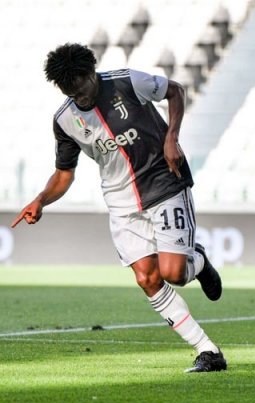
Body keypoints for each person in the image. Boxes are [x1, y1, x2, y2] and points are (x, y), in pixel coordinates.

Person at [11, 43, 227, 372]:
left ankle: (198, 261)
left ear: (91, 73)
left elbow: (176, 91)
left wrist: (172, 137)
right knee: (147, 278)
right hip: (121, 202)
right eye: (69, 90)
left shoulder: (127, 81)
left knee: (174, 273)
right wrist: (40, 200)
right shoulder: (65, 120)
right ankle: (208, 351)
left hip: (164, 184)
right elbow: (64, 174)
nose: (78, 96)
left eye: (80, 86)